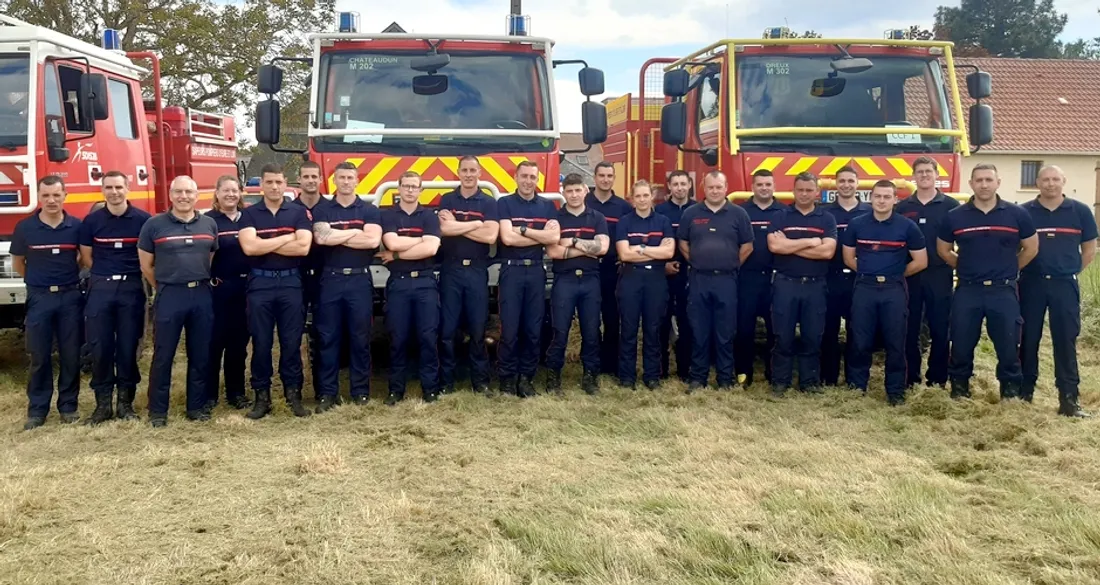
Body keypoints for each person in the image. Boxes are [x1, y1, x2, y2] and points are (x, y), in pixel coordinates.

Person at [937, 163, 1038, 400]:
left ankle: (1010, 391)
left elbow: (1031, 248)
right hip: (968, 290)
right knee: (961, 341)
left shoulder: (1017, 214)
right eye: (979, 180)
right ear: (971, 184)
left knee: (1008, 343)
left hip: (1003, 290)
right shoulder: (955, 216)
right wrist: (965, 267)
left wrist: (1010, 269)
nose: (984, 184)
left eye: (988, 180)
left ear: (998, 182)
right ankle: (960, 390)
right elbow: (943, 249)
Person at [137, 176, 219, 427]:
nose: (184, 196)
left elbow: (210, 258)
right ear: (170, 195)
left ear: (197, 196)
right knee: (164, 354)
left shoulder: (209, 224)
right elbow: (146, 265)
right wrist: (166, 285)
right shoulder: (154, 225)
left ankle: (196, 407)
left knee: (200, 353)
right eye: (179, 192)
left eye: (189, 192)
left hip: (201, 294)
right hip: (170, 295)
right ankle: (158, 411)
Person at [1018, 165, 1096, 417]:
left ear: (1064, 181)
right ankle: (1024, 394)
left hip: (1064, 284)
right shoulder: (1024, 212)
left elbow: (1089, 250)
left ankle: (1069, 400)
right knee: (1027, 339)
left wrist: (1069, 270)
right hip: (1031, 284)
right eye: (1045, 179)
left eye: (1055, 179)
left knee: (1065, 341)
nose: (1050, 184)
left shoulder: (1081, 211)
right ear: (1037, 183)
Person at [238, 163, 314, 419]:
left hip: (291, 283)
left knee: (291, 342)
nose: (274, 187)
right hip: (260, 284)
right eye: (269, 182)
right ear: (262, 185)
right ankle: (262, 397)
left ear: (285, 184)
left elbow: (303, 248)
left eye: (278, 182)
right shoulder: (249, 215)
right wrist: (286, 238)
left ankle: (293, 395)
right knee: (261, 342)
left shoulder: (298, 212)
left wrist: (265, 243)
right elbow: (250, 249)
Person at [841, 180, 927, 405]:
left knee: (896, 341)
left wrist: (894, 274)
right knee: (860, 339)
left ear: (895, 200)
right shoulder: (857, 224)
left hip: (894, 290)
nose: (881, 201)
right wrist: (871, 272)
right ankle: (857, 387)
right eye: (877, 196)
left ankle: (895, 391)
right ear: (870, 197)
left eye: (886, 197)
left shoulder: (907, 227)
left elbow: (921, 261)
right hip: (864, 288)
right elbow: (848, 258)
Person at [78, 170, 151, 424]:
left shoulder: (144, 220)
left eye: (119, 187)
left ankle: (125, 404)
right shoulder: (92, 221)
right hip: (100, 289)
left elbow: (149, 257)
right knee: (100, 347)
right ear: (103, 190)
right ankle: (102, 406)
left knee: (128, 347)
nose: (114, 192)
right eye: (109, 187)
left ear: (128, 188)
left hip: (131, 288)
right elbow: (87, 257)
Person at [11, 175, 83, 431]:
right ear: (39, 197)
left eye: (56, 195)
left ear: (65, 196)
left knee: (71, 354)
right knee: (39, 355)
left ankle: (68, 406)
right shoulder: (25, 227)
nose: (51, 200)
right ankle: (38, 409)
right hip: (39, 297)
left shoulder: (76, 226)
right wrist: (37, 282)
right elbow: (18, 263)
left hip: (70, 296)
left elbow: (82, 259)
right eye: (46, 196)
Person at [311, 161, 382, 411]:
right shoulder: (322, 209)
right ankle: (328, 394)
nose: (346, 182)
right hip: (330, 279)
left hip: (359, 281)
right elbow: (321, 237)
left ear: (357, 180)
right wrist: (355, 232)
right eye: (341, 177)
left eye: (350, 177)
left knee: (360, 338)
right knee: (328, 338)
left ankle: (360, 392)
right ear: (334, 181)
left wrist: (339, 235)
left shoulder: (370, 210)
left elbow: (372, 240)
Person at [677, 171, 754, 392]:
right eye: (711, 187)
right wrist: (696, 260)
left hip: (726, 280)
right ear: (704, 187)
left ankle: (724, 379)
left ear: (726, 187)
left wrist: (730, 264)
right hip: (699, 279)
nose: (715, 191)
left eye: (719, 187)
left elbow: (747, 246)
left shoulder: (738, 214)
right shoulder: (691, 213)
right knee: (699, 331)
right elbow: (682, 242)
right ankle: (697, 378)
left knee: (725, 331)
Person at [767, 172, 837, 396]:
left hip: (815, 286)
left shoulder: (826, 218)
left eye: (809, 190)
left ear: (817, 192)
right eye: (800, 190)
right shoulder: (780, 216)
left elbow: (827, 252)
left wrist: (791, 245)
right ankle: (780, 382)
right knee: (783, 336)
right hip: (785, 284)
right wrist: (810, 242)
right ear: (794, 190)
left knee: (812, 335)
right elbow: (775, 248)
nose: (804, 194)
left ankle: (809, 382)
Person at [496, 161, 560, 396]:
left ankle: (526, 379)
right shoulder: (504, 203)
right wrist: (539, 236)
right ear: (516, 177)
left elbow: (553, 238)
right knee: (510, 329)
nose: (528, 181)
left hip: (535, 271)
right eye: (524, 176)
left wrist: (522, 230)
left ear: (538, 179)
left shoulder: (547, 206)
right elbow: (507, 239)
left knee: (533, 329)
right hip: (511, 271)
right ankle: (506, 379)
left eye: (532, 177)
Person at [895, 157, 959, 388]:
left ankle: (938, 379)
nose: (924, 175)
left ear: (936, 174)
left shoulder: (951, 206)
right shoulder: (902, 208)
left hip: (940, 275)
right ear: (914, 176)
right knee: (909, 328)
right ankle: (910, 377)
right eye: (919, 172)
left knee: (941, 328)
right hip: (910, 275)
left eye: (928, 171)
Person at [379, 171, 442, 404]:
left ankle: (430, 389)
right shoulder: (388, 215)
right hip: (399, 283)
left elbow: (432, 250)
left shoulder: (429, 216)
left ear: (420, 190)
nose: (410, 190)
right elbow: (392, 241)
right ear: (399, 188)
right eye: (406, 186)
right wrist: (422, 239)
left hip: (426, 282)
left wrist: (396, 254)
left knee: (427, 337)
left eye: (414, 186)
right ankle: (396, 390)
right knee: (398, 338)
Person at [437, 156, 499, 394]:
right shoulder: (447, 199)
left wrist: (460, 226)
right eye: (465, 170)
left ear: (479, 173)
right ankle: (446, 383)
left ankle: (480, 382)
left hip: (476, 269)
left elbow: (490, 236)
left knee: (477, 328)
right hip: (450, 270)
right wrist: (476, 224)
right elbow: (444, 229)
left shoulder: (488, 201)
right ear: (458, 173)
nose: (469, 174)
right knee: (448, 329)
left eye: (473, 170)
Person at [544, 173, 610, 395]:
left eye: (577, 190)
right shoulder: (555, 219)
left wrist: (570, 242)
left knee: (591, 331)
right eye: (569, 191)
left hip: (591, 281)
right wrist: (586, 246)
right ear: (563, 193)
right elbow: (553, 250)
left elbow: (602, 249)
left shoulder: (597, 217)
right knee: (559, 331)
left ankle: (590, 378)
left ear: (585, 191)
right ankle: (553, 379)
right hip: (565, 280)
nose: (573, 195)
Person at [616, 180, 675, 390]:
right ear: (632, 200)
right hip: (631, 279)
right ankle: (627, 377)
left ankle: (652, 376)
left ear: (652, 196)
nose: (642, 200)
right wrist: (652, 251)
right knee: (629, 329)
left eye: (645, 195)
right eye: (637, 196)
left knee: (653, 329)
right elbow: (624, 254)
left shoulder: (663, 221)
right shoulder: (624, 222)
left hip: (656, 281)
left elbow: (668, 253)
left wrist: (639, 248)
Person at [820, 166, 871, 386]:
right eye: (842, 181)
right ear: (836, 184)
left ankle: (855, 381)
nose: (846, 185)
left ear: (857, 184)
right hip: (830, 277)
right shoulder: (824, 212)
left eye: (850, 181)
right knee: (828, 331)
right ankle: (828, 379)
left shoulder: (869, 212)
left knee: (858, 332)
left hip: (859, 280)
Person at [735, 169, 786, 387]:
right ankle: (743, 374)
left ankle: (773, 373)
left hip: (777, 279)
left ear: (774, 186)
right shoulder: (741, 212)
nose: (764, 188)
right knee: (744, 329)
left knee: (776, 330)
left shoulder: (784, 213)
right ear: (753, 187)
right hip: (747, 278)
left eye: (768, 184)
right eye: (760, 184)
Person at [206, 175, 253, 410]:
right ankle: (209, 395)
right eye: (225, 191)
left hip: (246, 290)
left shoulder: (250, 218)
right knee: (214, 343)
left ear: (240, 193)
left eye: (234, 190)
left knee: (239, 345)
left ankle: (236, 393)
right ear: (217, 193)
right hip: (219, 289)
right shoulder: (208, 220)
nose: (231, 195)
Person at [586, 162, 632, 379]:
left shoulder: (623, 207)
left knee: (613, 318)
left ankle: (611, 364)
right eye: (601, 175)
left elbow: (629, 236)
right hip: (588, 268)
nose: (605, 179)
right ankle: (592, 364)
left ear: (614, 178)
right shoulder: (584, 202)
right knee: (590, 319)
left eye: (609, 176)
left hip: (614, 270)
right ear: (594, 177)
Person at [656, 170, 694, 381]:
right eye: (675, 184)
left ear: (689, 185)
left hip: (690, 275)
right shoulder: (660, 212)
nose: (680, 187)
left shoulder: (698, 210)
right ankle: (661, 369)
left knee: (687, 322)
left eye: (683, 183)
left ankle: (685, 370)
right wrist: (663, 266)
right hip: (664, 275)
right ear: (669, 187)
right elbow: (654, 241)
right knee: (661, 322)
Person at [293, 161, 326, 396]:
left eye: (314, 176)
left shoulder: (331, 207)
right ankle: (294, 391)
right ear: (300, 179)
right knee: (293, 334)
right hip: (296, 277)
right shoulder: (289, 209)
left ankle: (323, 390)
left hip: (326, 277)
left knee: (325, 334)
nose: (311, 180)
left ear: (321, 178)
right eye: (306, 176)